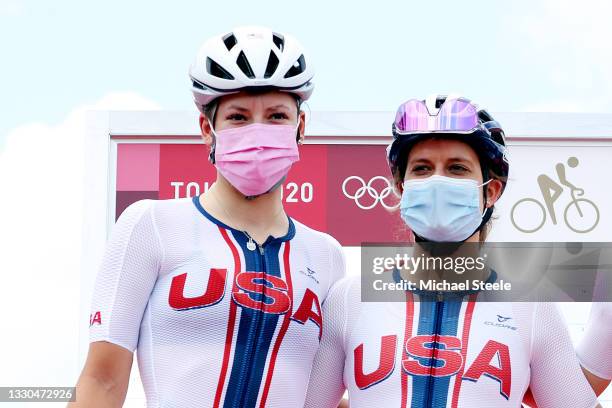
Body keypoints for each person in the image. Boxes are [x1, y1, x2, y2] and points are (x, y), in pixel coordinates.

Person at [70, 26, 345, 408]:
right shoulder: (151, 225)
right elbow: (101, 381)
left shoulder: (327, 255)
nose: (258, 131)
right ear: (207, 129)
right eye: (238, 117)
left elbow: (324, 400)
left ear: (300, 128)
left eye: (277, 115)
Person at [304, 95, 600, 407]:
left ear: (491, 191)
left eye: (457, 168)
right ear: (402, 187)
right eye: (422, 168)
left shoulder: (532, 308)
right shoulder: (348, 299)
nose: (437, 181)